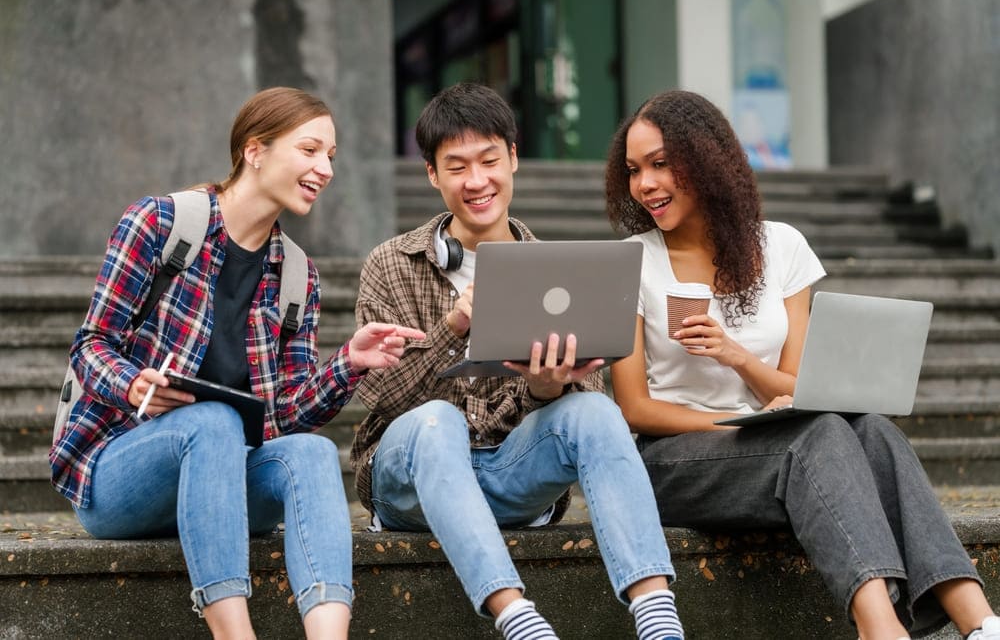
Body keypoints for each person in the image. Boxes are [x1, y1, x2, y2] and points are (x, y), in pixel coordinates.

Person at [605, 89, 1000, 640]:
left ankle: (979, 623)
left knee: (874, 431)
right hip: (675, 463)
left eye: (661, 164)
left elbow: (797, 386)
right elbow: (634, 408)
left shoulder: (782, 247)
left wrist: (736, 356)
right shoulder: (630, 262)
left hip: (776, 441)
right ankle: (881, 630)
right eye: (634, 169)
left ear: (706, 160)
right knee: (817, 437)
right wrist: (740, 425)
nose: (645, 183)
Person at [49, 86, 425, 639]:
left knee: (313, 453)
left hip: (223, 480)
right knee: (213, 419)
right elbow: (91, 345)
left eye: (331, 157)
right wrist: (134, 386)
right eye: (310, 150)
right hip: (116, 476)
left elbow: (284, 416)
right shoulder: (158, 224)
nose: (324, 168)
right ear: (255, 150)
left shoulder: (297, 276)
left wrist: (349, 362)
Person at [348, 82, 684, 640]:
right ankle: (515, 617)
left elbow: (583, 416)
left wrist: (546, 391)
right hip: (410, 483)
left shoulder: (557, 271)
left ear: (514, 159)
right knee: (440, 420)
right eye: (456, 167)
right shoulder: (389, 265)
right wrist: (453, 330)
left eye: (489, 160)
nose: (477, 181)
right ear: (432, 174)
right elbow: (381, 401)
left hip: (510, 476)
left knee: (599, 415)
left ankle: (656, 616)